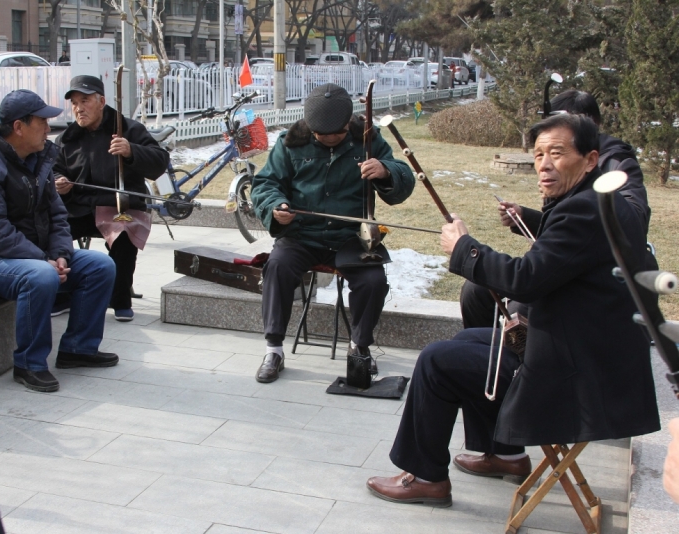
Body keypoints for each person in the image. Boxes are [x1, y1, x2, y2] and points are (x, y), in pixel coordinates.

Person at [365, 114, 659, 506]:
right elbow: (567, 250)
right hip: (594, 359)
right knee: (470, 339)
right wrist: (529, 218)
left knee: (438, 358)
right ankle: (505, 454)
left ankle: (427, 477)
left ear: (591, 160)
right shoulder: (597, 203)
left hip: (579, 378)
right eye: (538, 154)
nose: (545, 164)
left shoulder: (584, 211)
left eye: (557, 153)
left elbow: (526, 279)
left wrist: (465, 248)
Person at [0, 89, 119, 393]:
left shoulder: (40, 159)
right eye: (42, 122)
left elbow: (57, 215)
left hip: (38, 255)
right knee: (40, 277)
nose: (48, 128)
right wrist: (43, 261)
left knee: (100, 265)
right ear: (19, 127)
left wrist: (60, 255)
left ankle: (78, 349)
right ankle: (29, 364)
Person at [250, 83, 415, 383]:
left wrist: (386, 171)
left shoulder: (366, 138)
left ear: (346, 124)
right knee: (277, 267)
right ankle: (273, 349)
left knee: (373, 280)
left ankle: (359, 346)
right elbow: (265, 184)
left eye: (334, 136)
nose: (327, 140)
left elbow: (402, 177)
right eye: (319, 136)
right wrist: (276, 206)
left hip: (352, 235)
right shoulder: (291, 142)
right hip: (301, 234)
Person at [460, 89, 651, 329]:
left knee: (521, 308)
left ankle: (515, 361)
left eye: (558, 121)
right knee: (476, 291)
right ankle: (482, 352)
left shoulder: (614, 161)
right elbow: (568, 227)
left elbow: (627, 218)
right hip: (563, 265)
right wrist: (526, 217)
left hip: (594, 281)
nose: (545, 163)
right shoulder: (562, 168)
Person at [54, 75, 169, 321]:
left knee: (124, 235)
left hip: (119, 205)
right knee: (51, 232)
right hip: (78, 207)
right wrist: (59, 182)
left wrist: (131, 151)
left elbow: (159, 162)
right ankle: (62, 293)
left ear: (102, 101)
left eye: (84, 101)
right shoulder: (67, 138)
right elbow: (54, 168)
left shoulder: (129, 129)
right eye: (74, 103)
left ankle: (119, 299)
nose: (78, 108)